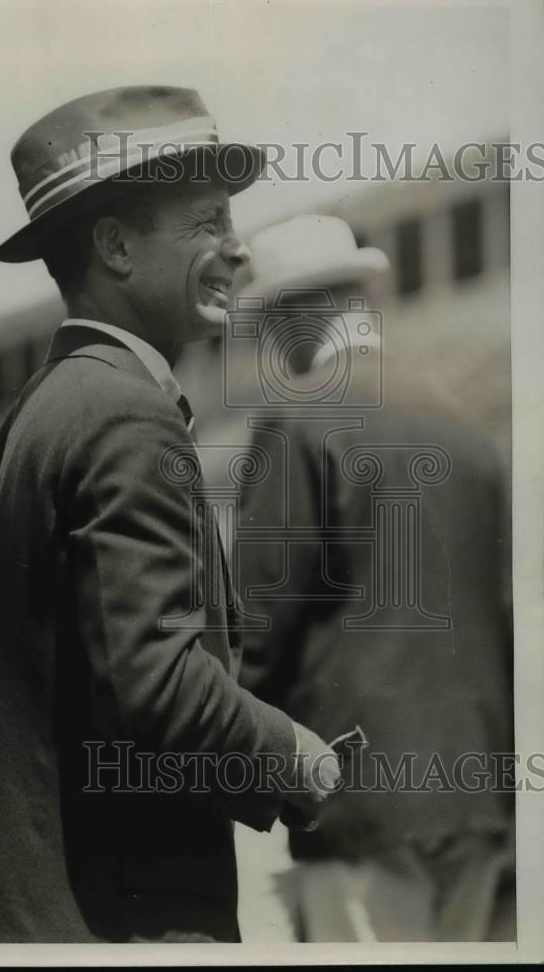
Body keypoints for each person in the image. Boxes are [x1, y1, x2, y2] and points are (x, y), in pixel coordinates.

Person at [0, 86, 341, 944]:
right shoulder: (126, 415)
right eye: (205, 223)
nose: (237, 250)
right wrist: (294, 755)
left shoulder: (38, 413)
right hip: (113, 923)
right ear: (116, 246)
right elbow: (157, 685)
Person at [236, 215, 515, 942]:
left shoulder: (295, 424)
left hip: (359, 793)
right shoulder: (467, 431)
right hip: (477, 791)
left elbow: (260, 626)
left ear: (292, 315)